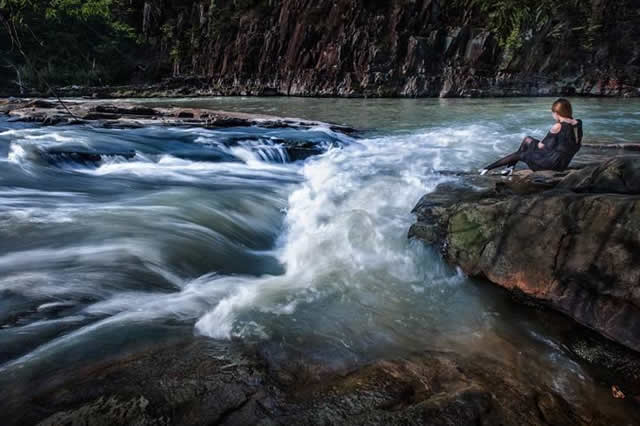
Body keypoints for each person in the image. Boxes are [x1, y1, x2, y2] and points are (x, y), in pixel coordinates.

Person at [479, 98, 583, 176]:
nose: (552, 115)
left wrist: (534, 146)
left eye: (553, 113)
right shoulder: (577, 123)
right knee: (527, 139)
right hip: (562, 163)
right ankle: (510, 168)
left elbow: (542, 146)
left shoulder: (558, 126)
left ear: (557, 113)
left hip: (551, 165)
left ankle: (487, 168)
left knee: (521, 153)